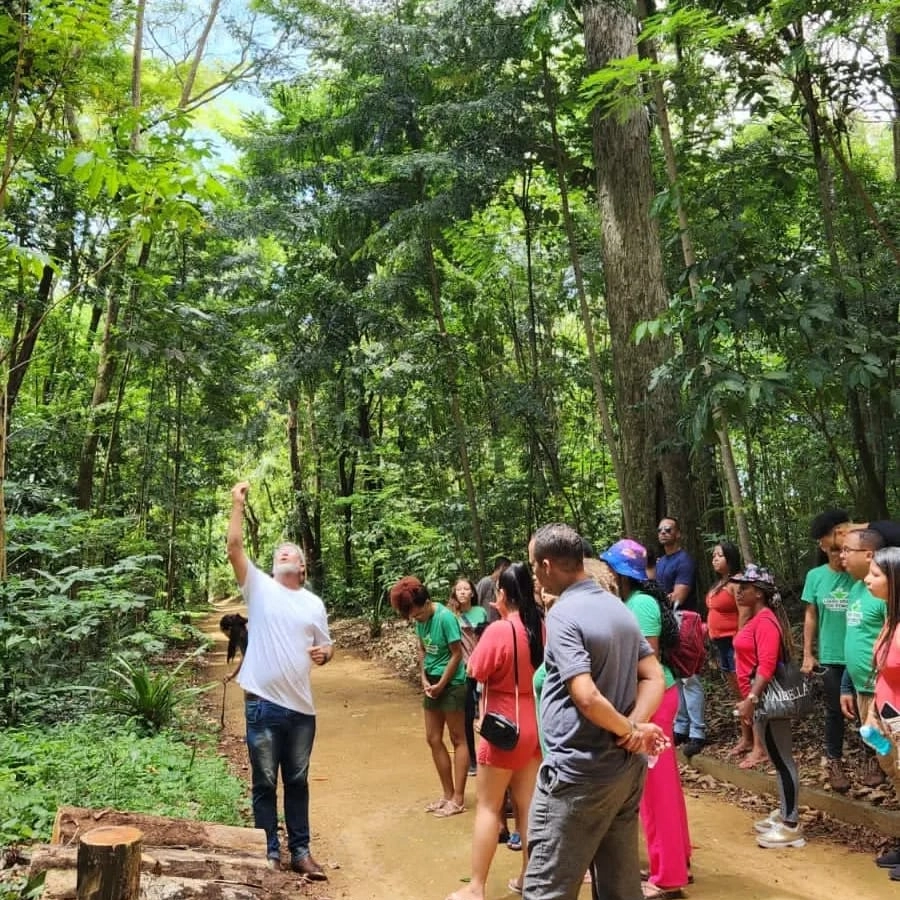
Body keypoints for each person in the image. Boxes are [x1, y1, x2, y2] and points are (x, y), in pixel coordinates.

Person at [523, 523, 668, 900]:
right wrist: (632, 730)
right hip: (622, 772)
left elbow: (585, 695)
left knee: (546, 889)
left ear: (547, 564)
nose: (533, 574)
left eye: (533, 565)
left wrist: (630, 730)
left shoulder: (563, 614)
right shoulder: (616, 607)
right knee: (620, 888)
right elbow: (654, 676)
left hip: (577, 775)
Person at [226, 481, 332, 879]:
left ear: (302, 567)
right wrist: (238, 505)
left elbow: (326, 646)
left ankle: (301, 852)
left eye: (293, 552)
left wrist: (327, 654)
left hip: (302, 710)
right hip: (263, 705)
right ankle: (268, 852)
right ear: (273, 567)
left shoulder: (314, 604)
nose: (285, 552)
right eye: (279, 553)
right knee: (265, 782)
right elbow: (235, 548)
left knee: (298, 781)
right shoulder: (260, 589)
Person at [445, 562, 544, 900]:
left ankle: (476, 887)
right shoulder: (540, 625)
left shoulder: (502, 629)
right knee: (528, 804)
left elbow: (476, 668)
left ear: (502, 594)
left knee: (488, 806)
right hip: (534, 721)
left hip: (503, 724)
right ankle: (530, 878)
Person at [600, 540, 692, 899]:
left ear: (621, 573)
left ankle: (667, 877)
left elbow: (646, 660)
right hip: (654, 698)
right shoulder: (635, 602)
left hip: (653, 700)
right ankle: (672, 860)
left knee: (656, 790)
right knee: (661, 784)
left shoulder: (638, 604)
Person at [731, 564, 805, 849]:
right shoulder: (758, 618)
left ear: (759, 593)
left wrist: (752, 698)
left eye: (745, 587)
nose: (738, 590)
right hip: (760, 701)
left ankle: (791, 825)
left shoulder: (765, 621)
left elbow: (767, 664)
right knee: (777, 758)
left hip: (767, 700)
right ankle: (786, 812)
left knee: (783, 759)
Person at [389, 575, 469, 816]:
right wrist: (423, 677)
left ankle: (459, 798)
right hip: (432, 681)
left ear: (426, 603)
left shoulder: (445, 617)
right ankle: (446, 794)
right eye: (412, 616)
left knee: (458, 738)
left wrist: (443, 682)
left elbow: (457, 654)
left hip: (452, 682)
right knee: (433, 738)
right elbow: (422, 648)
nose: (417, 619)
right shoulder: (418, 620)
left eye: (418, 614)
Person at [801, 508, 853, 793]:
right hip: (832, 655)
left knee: (869, 710)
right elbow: (811, 614)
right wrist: (808, 653)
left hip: (862, 656)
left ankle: (875, 758)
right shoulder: (816, 576)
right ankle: (834, 760)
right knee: (835, 712)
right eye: (830, 551)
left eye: (841, 551)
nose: (837, 556)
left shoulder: (861, 573)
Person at [705, 541, 763, 767]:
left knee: (748, 694)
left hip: (734, 644)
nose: (715, 559)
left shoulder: (738, 582)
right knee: (738, 696)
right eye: (713, 556)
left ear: (730, 557)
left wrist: (740, 642)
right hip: (721, 645)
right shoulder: (720, 583)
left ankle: (759, 744)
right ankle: (746, 738)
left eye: (719, 555)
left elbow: (744, 614)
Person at [861, 546, 900, 881]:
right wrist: (874, 712)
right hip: (887, 719)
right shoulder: (891, 617)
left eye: (875, 574)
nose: (867, 579)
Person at [839, 528, 887, 788]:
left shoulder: (885, 593)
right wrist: (847, 685)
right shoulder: (857, 588)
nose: (841, 555)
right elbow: (855, 640)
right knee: (878, 745)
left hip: (885, 693)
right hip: (861, 690)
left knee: (892, 750)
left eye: (847, 549)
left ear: (869, 555)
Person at [656, 516, 706, 757]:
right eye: (661, 530)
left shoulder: (684, 560)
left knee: (690, 678)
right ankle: (681, 726)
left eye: (669, 529)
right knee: (675, 677)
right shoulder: (660, 562)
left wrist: (657, 598)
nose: (664, 532)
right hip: (667, 623)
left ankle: (698, 732)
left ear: (678, 534)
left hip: (685, 622)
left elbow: (678, 595)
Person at [448, 577, 488, 776]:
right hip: (462, 670)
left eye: (466, 589)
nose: (463, 592)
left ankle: (488, 757)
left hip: (480, 668)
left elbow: (485, 638)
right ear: (454, 593)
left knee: (486, 711)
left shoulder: (481, 612)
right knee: (466, 716)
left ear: (472, 592)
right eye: (459, 589)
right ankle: (471, 760)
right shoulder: (451, 616)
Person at [476, 556, 511, 623]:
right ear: (502, 567)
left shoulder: (503, 585)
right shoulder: (485, 582)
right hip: (483, 624)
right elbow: (475, 601)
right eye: (507, 569)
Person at [220, 612, 248, 683]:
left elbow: (245, 658)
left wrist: (233, 675)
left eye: (224, 632)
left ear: (229, 629)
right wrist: (233, 675)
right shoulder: (244, 631)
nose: (225, 636)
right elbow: (244, 656)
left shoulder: (243, 637)